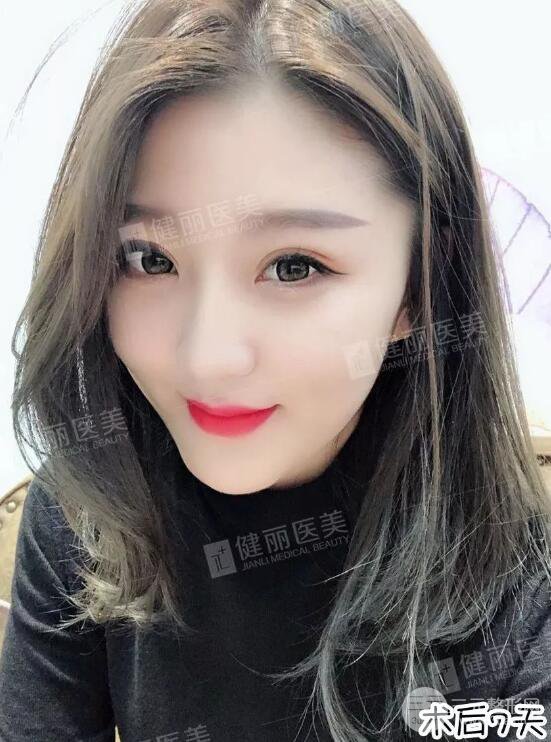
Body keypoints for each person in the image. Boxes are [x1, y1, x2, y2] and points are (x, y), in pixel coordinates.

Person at [1, 0, 550, 740]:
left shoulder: (523, 599)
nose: (206, 357)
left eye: (294, 266)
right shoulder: (88, 514)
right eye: (148, 258)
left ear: (419, 286)